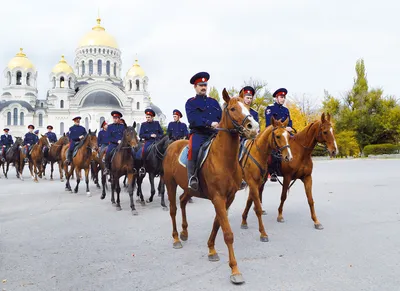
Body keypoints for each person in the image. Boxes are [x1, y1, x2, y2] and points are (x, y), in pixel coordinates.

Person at [185, 72, 222, 191]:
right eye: (200, 85)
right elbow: (193, 119)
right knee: (193, 149)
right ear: (195, 87)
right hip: (199, 133)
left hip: (215, 134)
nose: (203, 87)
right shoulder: (191, 102)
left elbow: (221, 117)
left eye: (205, 85)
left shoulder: (214, 102)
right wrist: (209, 123)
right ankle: (193, 177)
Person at [265, 88, 293, 182]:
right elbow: (269, 123)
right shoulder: (270, 108)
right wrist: (283, 128)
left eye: (284, 97)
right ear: (276, 98)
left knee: (294, 141)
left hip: (285, 133)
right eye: (281, 97)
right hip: (273, 133)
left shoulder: (286, 110)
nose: (283, 99)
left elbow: (290, 122)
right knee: (273, 149)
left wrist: (289, 127)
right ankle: (272, 171)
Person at [136, 109, 164, 175]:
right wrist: (150, 135)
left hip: (157, 141)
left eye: (149, 117)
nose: (147, 119)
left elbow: (161, 133)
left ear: (152, 117)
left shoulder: (156, 124)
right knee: (144, 151)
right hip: (148, 142)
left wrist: (157, 136)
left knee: (163, 150)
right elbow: (141, 135)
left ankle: (162, 167)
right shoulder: (143, 125)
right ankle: (143, 166)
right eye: (147, 117)